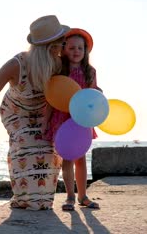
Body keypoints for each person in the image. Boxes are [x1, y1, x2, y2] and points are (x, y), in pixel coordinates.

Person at [0, 15, 70, 210]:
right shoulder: (16, 64)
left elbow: (62, 94)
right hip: (16, 112)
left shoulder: (58, 64)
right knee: (25, 143)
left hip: (43, 112)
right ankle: (21, 197)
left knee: (48, 150)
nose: (63, 46)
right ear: (50, 46)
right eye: (61, 42)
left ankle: (41, 198)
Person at [46, 28, 101, 210]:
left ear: (85, 51)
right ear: (63, 49)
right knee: (68, 157)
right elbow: (51, 96)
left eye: (80, 48)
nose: (76, 51)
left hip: (81, 118)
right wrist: (45, 121)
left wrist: (98, 96)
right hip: (62, 118)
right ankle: (70, 196)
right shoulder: (59, 69)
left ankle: (83, 196)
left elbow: (93, 94)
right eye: (71, 48)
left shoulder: (90, 71)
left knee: (81, 158)